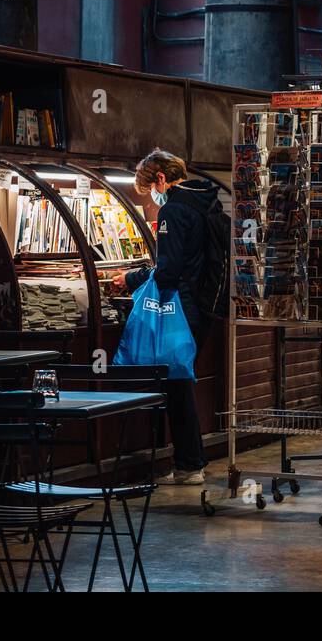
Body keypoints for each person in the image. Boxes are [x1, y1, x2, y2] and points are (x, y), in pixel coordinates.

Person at [113, 149, 216, 485]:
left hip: (180, 308)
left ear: (160, 178)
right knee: (179, 382)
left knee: (177, 384)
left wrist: (131, 279)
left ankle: (189, 466)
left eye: (150, 188)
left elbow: (168, 271)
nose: (153, 197)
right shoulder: (205, 201)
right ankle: (190, 463)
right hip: (201, 305)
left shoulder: (174, 209)